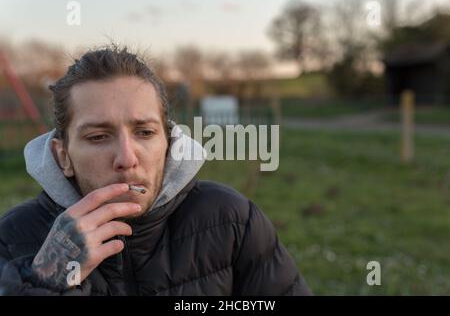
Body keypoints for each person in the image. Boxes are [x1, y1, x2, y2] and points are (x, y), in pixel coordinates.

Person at [0, 45, 311, 296]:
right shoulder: (10, 240)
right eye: (97, 137)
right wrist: (43, 280)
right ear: (63, 155)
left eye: (145, 133)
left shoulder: (232, 221)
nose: (126, 158)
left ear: (170, 143)